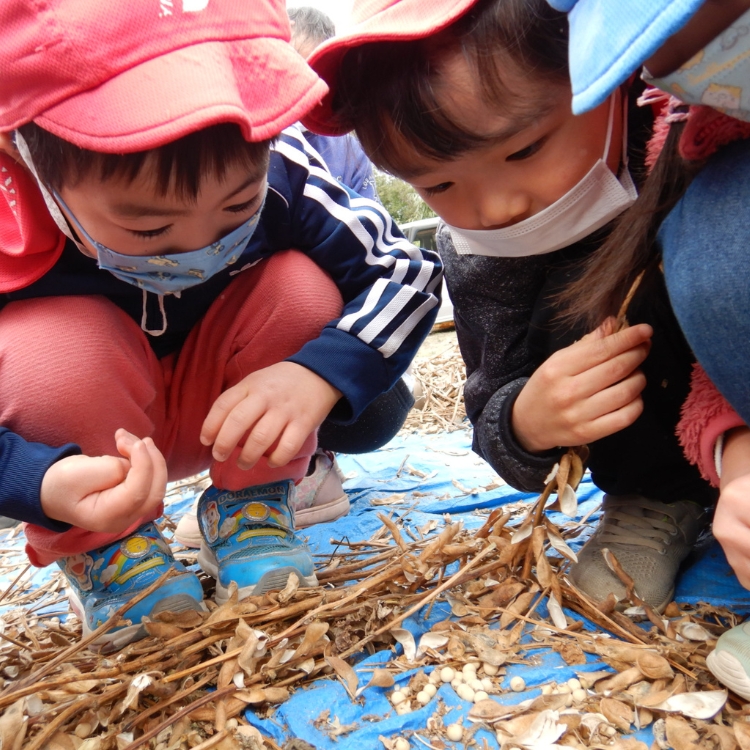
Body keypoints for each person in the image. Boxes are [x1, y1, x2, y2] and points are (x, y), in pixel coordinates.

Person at [0, 0, 441, 651]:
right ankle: (112, 553)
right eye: (148, 228)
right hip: (92, 453)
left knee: (299, 286)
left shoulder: (287, 169)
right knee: (47, 345)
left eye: (239, 207)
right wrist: (36, 481)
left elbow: (409, 274)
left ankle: (252, 509)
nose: (201, 246)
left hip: (229, 410)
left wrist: (316, 375)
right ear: (26, 153)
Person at [302, 0, 719, 613]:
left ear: (603, 70)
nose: (494, 209)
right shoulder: (479, 252)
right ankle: (652, 497)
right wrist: (529, 420)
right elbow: (488, 409)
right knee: (578, 298)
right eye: (437, 185)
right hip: (644, 433)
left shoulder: (691, 127)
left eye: (523, 151)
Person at [540, 0, 750, 699]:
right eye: (672, 58)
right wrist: (740, 460)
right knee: (713, 242)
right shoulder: (698, 144)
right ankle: (657, 492)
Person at [172, 4, 414, 549]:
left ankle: (282, 476)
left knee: (304, 289)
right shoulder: (210, 138)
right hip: (202, 355)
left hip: (287, 336)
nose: (292, 108)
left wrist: (320, 373)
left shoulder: (319, 155)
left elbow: (378, 259)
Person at [288, 6, 380, 202]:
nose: (300, 91)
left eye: (314, 76)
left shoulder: (349, 152)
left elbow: (366, 221)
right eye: (291, 72)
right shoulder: (244, 140)